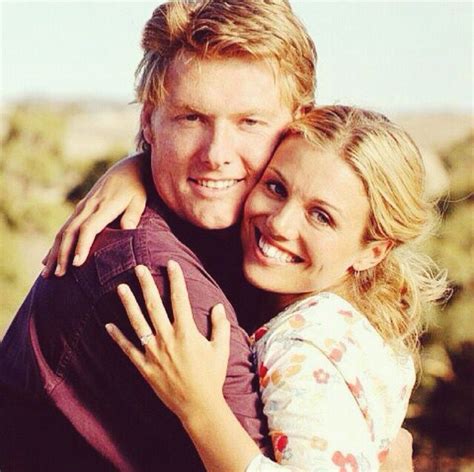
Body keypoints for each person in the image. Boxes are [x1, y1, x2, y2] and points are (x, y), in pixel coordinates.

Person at [0, 1, 316, 470]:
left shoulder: (238, 244)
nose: (216, 154)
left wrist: (139, 168)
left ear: (298, 126)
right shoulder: (163, 285)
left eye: (250, 122)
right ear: (148, 121)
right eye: (191, 118)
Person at [106, 106, 448, 470]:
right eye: (276, 187)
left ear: (373, 251)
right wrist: (136, 169)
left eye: (321, 216)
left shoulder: (302, 349)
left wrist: (198, 406)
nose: (280, 223)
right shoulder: (348, 323)